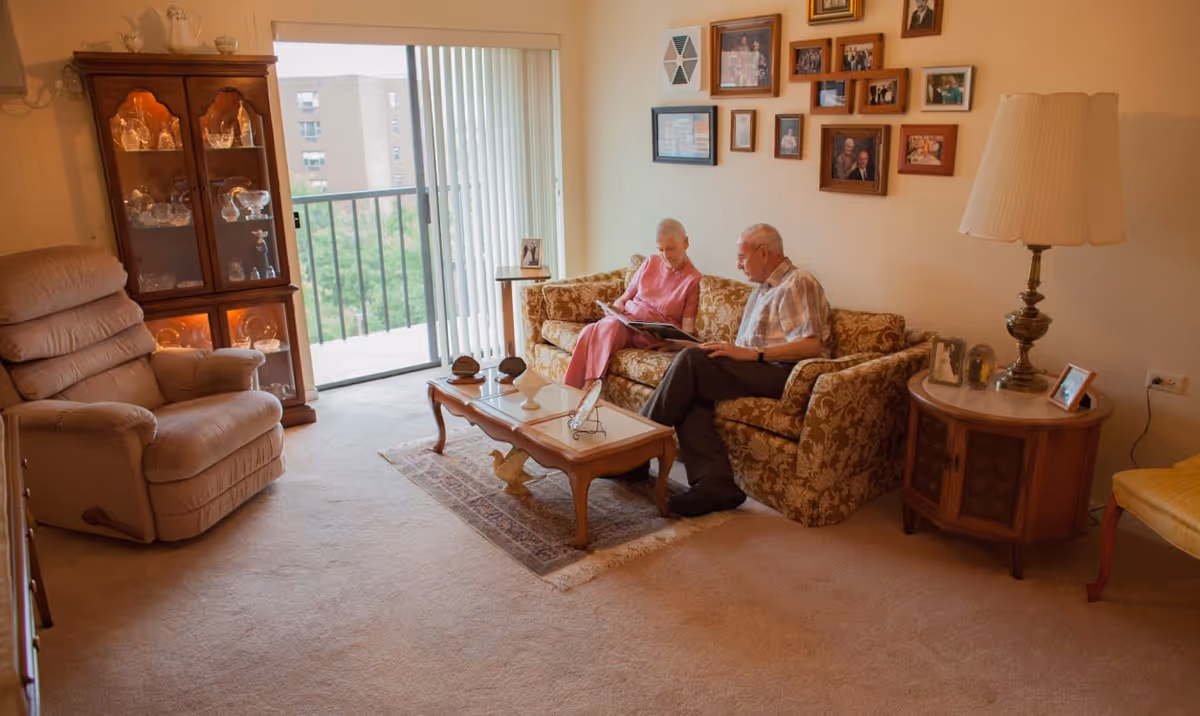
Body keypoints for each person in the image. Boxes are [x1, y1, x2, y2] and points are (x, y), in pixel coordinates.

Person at [612, 224, 832, 517]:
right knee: (692, 376)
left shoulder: (798, 282)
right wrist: (687, 345)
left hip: (787, 374)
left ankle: (632, 454)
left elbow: (811, 345)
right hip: (758, 365)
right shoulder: (760, 293)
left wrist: (754, 354)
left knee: (692, 365)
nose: (737, 264)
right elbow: (741, 350)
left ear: (764, 252)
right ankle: (716, 484)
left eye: (742, 257)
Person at [562, 219, 702, 389]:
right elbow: (624, 298)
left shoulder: (693, 280)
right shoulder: (650, 262)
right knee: (588, 330)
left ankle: (588, 388)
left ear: (686, 242)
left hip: (649, 335)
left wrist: (671, 344)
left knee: (608, 327)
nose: (666, 256)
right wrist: (615, 308)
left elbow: (687, 331)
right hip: (626, 321)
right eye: (661, 249)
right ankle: (569, 392)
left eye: (670, 248)